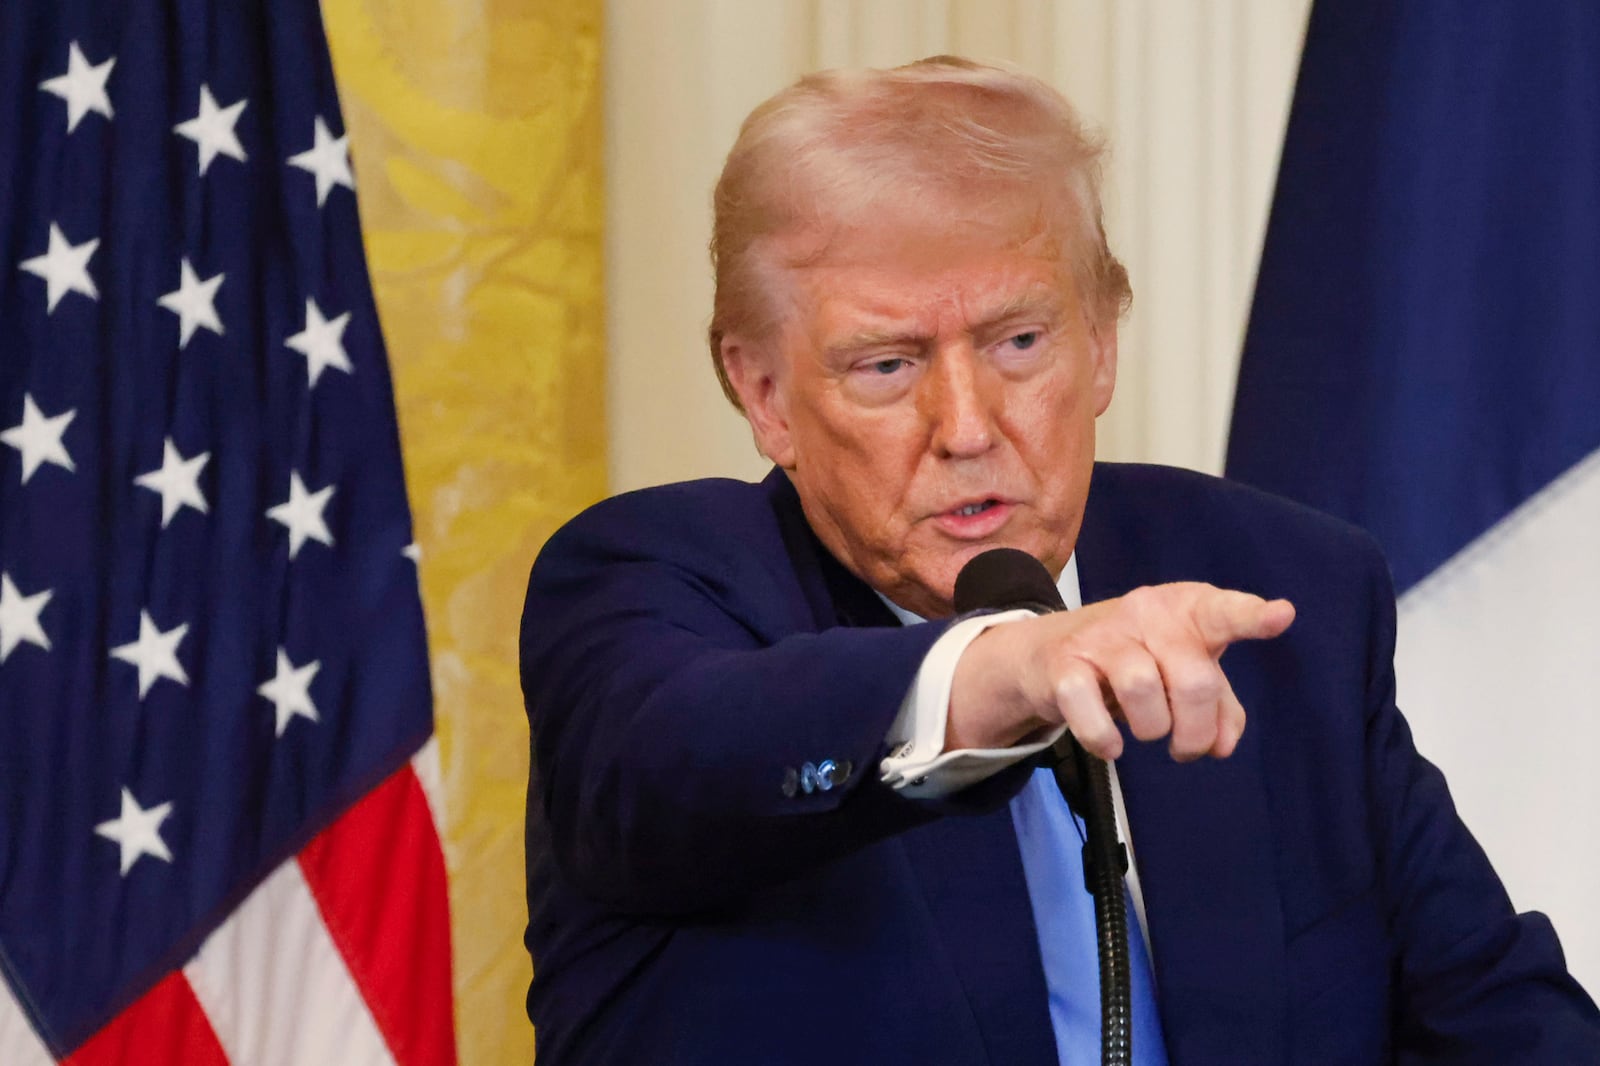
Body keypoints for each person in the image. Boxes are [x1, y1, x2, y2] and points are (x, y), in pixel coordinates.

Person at [520, 57, 1600, 1064]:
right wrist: (1012, 667)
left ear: (1102, 342)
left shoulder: (1274, 585)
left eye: (1018, 343)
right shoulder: (648, 586)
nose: (966, 425)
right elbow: (673, 758)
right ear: (762, 393)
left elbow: (1501, 1018)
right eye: (888, 364)